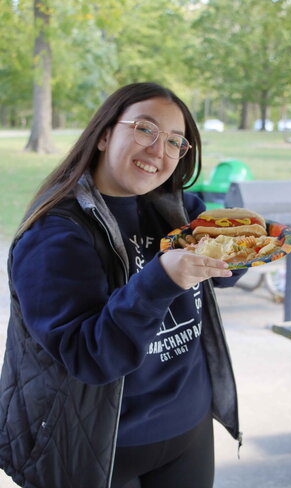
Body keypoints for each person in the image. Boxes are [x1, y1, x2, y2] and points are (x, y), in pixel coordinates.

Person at [0, 82, 245, 488]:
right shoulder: (54, 237)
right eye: (145, 130)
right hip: (99, 446)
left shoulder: (179, 209)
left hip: (189, 429)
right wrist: (160, 280)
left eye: (174, 141)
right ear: (104, 135)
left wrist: (244, 249)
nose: (158, 151)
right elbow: (91, 358)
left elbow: (225, 272)